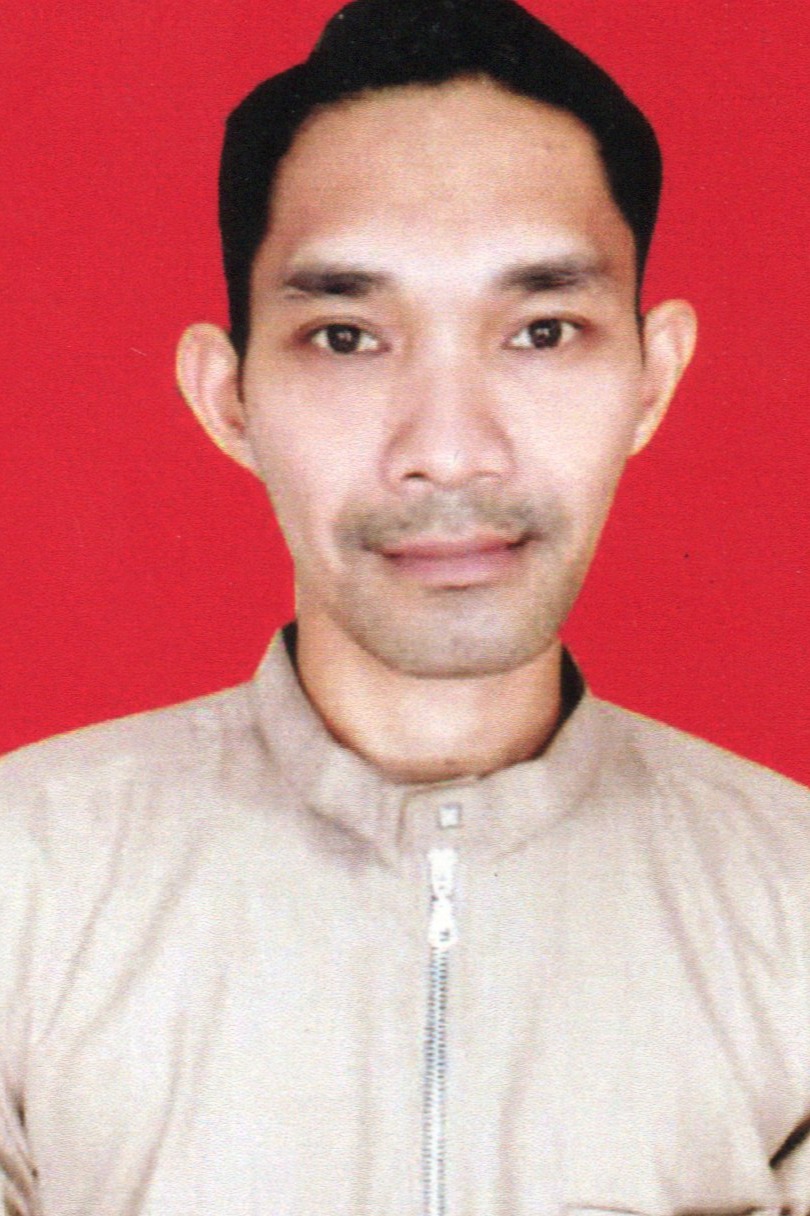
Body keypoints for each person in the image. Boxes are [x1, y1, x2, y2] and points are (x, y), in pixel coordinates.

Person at [1, 0, 809, 1211]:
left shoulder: (794, 910)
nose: (448, 450)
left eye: (543, 331)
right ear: (229, 398)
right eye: (345, 337)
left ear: (653, 379)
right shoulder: (22, 883)